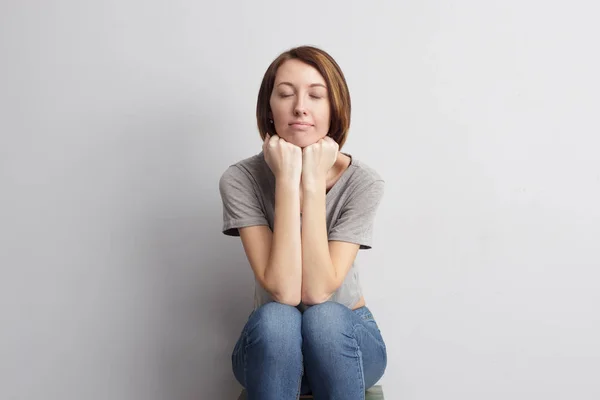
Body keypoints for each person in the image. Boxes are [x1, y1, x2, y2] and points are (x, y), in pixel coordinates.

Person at [219, 45, 387, 400]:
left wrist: (311, 181)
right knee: (278, 318)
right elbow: (283, 291)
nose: (300, 106)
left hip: (347, 344)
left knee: (323, 318)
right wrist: (285, 179)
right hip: (271, 354)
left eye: (315, 95)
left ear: (334, 108)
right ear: (269, 108)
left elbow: (317, 292)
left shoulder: (363, 182)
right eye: (285, 94)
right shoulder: (240, 179)